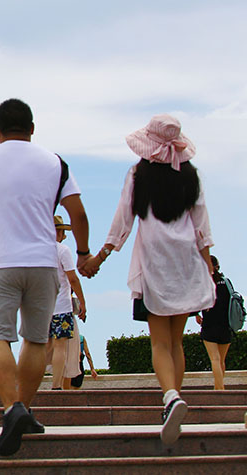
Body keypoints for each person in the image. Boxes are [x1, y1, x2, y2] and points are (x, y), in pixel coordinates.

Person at [0, 98, 89, 457]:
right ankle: (23, 409)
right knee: (36, 340)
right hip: (43, 263)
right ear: (32, 128)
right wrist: (85, 251)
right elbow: (78, 213)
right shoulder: (55, 163)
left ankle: (13, 409)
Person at [82, 114, 214, 445]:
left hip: (155, 258)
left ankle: (170, 397)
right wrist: (208, 264)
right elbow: (201, 223)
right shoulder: (189, 175)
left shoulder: (139, 173)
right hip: (185, 258)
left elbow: (123, 218)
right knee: (176, 341)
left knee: (159, 341)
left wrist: (101, 255)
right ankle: (174, 399)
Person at [47, 216, 87, 390]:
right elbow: (73, 279)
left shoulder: (36, 251)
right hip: (61, 306)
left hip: (40, 307)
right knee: (60, 347)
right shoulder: (62, 250)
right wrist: (82, 302)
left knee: (39, 347)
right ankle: (56, 385)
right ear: (59, 231)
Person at [196, 255, 234, 390]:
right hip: (226, 326)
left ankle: (219, 390)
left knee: (215, 360)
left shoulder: (205, 283)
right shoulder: (227, 283)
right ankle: (219, 387)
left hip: (210, 325)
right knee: (221, 361)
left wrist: (196, 314)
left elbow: (198, 301)